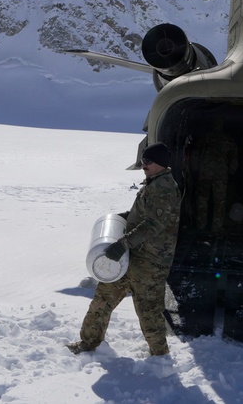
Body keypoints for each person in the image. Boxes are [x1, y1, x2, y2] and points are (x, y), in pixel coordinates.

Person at [67, 142, 181, 357]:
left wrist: (123, 244)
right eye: (143, 161)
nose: (143, 165)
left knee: (148, 312)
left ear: (160, 163)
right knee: (103, 299)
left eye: (148, 161)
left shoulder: (164, 187)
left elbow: (153, 224)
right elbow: (142, 215)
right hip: (132, 257)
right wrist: (124, 217)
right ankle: (88, 343)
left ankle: (160, 356)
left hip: (150, 264)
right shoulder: (153, 183)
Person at [191, 121, 238, 233]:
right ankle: (217, 227)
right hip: (221, 174)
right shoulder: (228, 140)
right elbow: (234, 158)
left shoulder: (204, 137)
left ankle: (200, 225)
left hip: (205, 172)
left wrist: (195, 169)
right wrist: (232, 172)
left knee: (202, 199)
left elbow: (195, 153)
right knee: (220, 201)